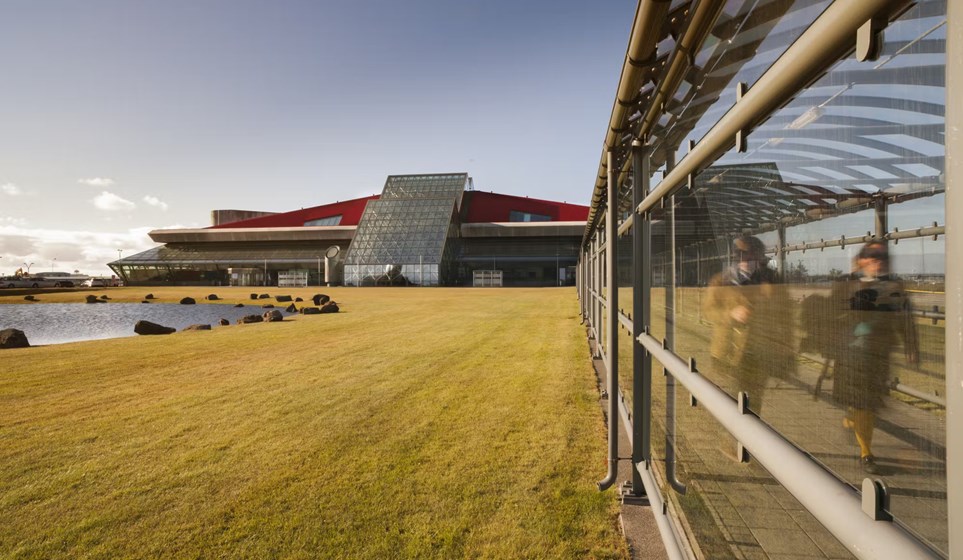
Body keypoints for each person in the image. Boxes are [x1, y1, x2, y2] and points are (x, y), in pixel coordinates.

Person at [830, 240, 918, 474]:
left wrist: (911, 346)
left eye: (882, 256)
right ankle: (866, 452)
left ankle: (851, 422)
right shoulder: (847, 284)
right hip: (852, 354)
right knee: (863, 404)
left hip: (879, 354)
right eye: (871, 255)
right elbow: (830, 314)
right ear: (861, 260)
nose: (877, 260)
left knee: (869, 404)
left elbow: (906, 317)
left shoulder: (894, 285)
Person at [703, 235, 794, 415]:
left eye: (751, 256)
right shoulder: (721, 280)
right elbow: (708, 311)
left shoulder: (772, 281)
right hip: (730, 350)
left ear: (759, 258)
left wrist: (786, 355)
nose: (745, 261)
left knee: (754, 402)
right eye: (741, 256)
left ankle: (746, 440)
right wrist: (731, 314)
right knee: (736, 399)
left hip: (760, 351)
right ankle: (736, 440)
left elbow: (786, 317)